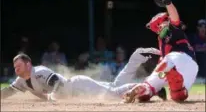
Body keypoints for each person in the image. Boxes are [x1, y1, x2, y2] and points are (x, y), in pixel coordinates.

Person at [1, 48, 166, 101]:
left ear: (28, 64)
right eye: (15, 67)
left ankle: (149, 86)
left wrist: (51, 99)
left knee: (116, 95)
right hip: (78, 88)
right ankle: (137, 57)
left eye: (19, 66)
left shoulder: (39, 71)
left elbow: (56, 82)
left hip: (79, 86)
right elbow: (9, 90)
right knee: (115, 87)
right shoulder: (21, 80)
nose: (16, 69)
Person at [123, 0, 198, 103]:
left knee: (156, 76)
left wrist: (168, 3)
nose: (159, 28)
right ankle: (149, 89)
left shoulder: (171, 28)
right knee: (179, 95)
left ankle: (148, 87)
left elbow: (174, 18)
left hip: (176, 58)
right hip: (191, 67)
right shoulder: (164, 40)